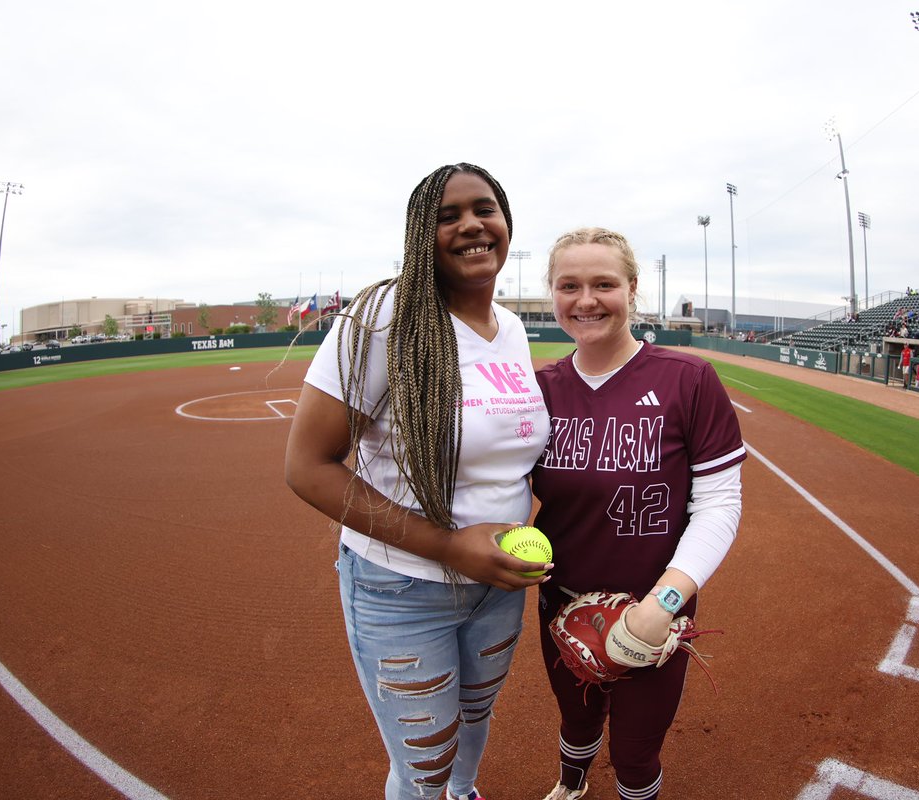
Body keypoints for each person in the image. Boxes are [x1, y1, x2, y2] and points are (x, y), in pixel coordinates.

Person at [284, 163, 552, 800]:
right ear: (419, 235)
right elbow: (307, 466)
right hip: (401, 588)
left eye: (484, 209)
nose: (470, 226)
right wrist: (450, 545)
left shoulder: (511, 329)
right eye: (446, 216)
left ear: (506, 223)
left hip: (500, 584)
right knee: (423, 768)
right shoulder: (384, 317)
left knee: (470, 736)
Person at [530, 227, 746, 800]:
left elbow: (719, 503)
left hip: (655, 610)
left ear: (632, 288)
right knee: (575, 718)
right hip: (561, 601)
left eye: (604, 283)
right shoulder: (538, 390)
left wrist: (665, 602)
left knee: (634, 750)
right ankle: (570, 783)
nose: (586, 300)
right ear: (552, 292)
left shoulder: (689, 379)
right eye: (568, 285)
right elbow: (500, 492)